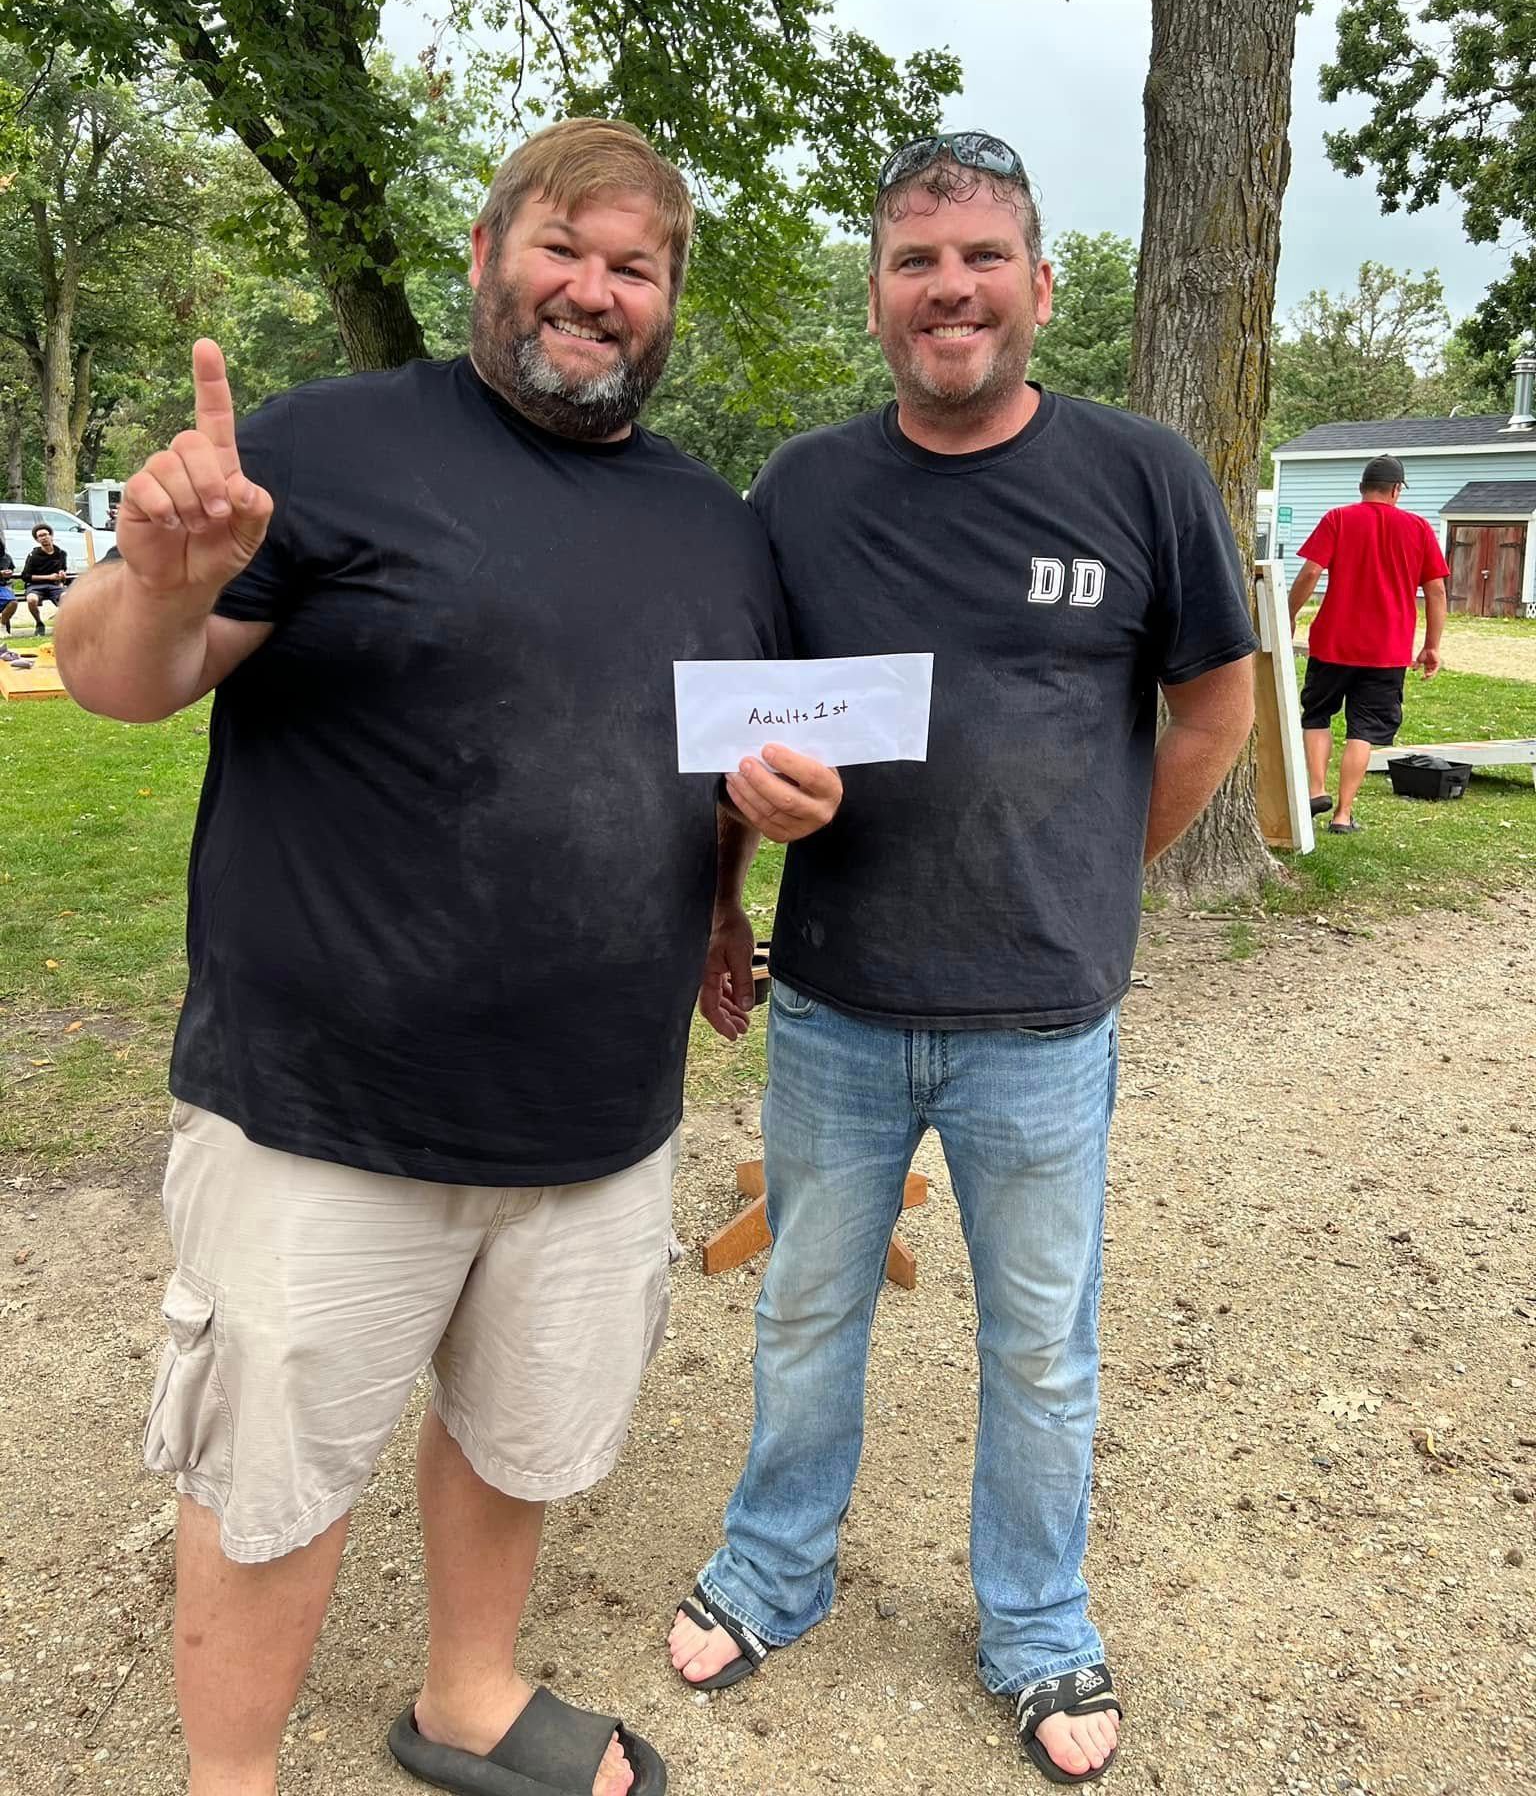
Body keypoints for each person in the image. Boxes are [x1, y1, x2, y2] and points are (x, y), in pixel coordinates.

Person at [55, 117, 843, 1796]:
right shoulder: (327, 447)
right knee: (270, 1470)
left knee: (518, 1432)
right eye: (563, 245)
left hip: (592, 1112)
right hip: (322, 1105)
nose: (593, 288)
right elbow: (123, 677)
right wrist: (158, 581)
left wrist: (734, 869)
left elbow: (710, 765)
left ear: (666, 302)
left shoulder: (716, 526)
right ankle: (232, 1778)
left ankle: (470, 1695)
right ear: (484, 252)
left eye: (634, 266)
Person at [666, 130, 1257, 1786]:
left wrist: (1101, 867)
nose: (951, 287)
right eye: (917, 260)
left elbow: (1215, 702)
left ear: (1039, 283)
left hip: (1042, 1027)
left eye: (982, 255)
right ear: (878, 297)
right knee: (799, 1308)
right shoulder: (804, 488)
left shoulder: (1141, 475)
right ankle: (774, 1560)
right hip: (841, 1001)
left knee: (1042, 1340)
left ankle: (1037, 1616)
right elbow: (743, 728)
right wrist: (724, 890)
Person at [1286, 453, 1448, 834]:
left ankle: (1315, 789)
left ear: (1361, 489)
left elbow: (1311, 571)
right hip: (1387, 650)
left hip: (1332, 642)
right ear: (1396, 490)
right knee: (1365, 728)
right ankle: (1343, 814)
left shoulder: (1338, 518)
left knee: (1317, 714)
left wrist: (1290, 613)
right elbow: (1437, 590)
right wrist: (1431, 645)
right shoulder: (1419, 528)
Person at [7, 522, 73, 634]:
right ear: (37, 540)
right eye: (40, 536)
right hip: (35, 586)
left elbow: (62, 569)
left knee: (66, 597)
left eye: (46, 535)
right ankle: (39, 623)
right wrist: (49, 577)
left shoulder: (61, 553)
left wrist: (62, 574)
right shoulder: (33, 555)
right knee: (31, 600)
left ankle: (64, 624)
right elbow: (25, 576)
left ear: (51, 536)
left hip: (54, 586)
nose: (44, 538)